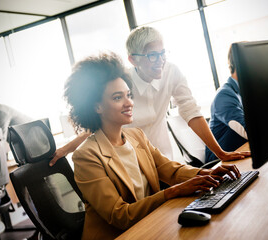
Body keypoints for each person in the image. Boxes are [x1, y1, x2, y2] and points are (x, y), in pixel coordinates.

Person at [64, 52, 241, 240]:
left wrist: (207, 174)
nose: (129, 103)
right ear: (97, 107)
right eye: (117, 98)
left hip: (149, 225)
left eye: (129, 95)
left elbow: (170, 170)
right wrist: (172, 191)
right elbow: (120, 215)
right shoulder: (86, 156)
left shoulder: (136, 136)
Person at [49, 26, 250, 166]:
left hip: (165, 156)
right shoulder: (122, 83)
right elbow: (99, 120)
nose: (160, 61)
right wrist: (67, 148)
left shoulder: (172, 71)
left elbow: (190, 111)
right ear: (133, 59)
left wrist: (220, 153)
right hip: (128, 157)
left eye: (162, 53)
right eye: (152, 55)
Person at [205, 44, 248, 163]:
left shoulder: (243, 91)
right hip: (219, 161)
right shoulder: (225, 95)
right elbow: (247, 131)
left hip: (239, 152)